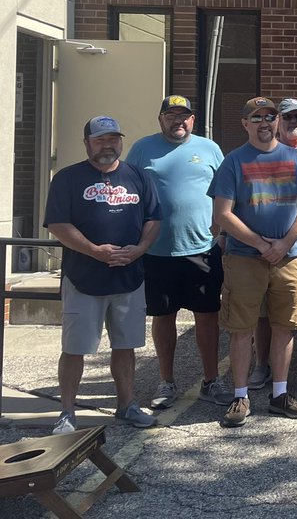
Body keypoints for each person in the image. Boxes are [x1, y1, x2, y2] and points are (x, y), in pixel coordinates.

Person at [45, 116, 162, 434]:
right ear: (87, 144)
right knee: (75, 347)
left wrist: (139, 249)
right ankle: (67, 412)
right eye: (100, 140)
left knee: (125, 347)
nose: (108, 145)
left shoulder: (138, 176)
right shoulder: (68, 178)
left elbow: (153, 218)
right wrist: (94, 251)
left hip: (129, 277)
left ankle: (126, 406)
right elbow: (57, 224)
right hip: (83, 278)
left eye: (113, 139)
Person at [210, 97, 297, 427]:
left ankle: (280, 394)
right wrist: (259, 243)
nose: (265, 122)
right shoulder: (233, 162)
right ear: (245, 124)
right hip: (244, 259)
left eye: (271, 116)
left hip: (289, 258)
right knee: (241, 329)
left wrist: (284, 243)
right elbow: (222, 214)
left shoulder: (296, 158)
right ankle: (240, 396)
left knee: (285, 326)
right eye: (257, 117)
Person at [127, 95, 231, 411]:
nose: (178, 121)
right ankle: (166, 381)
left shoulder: (210, 149)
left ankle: (211, 380)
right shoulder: (142, 149)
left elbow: (227, 193)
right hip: (157, 251)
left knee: (207, 317)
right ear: (161, 119)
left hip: (202, 248)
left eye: (184, 116)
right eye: (171, 116)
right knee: (163, 317)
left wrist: (223, 233)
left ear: (193, 120)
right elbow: (130, 194)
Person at [249, 97, 297, 388]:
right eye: (287, 118)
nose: (293, 123)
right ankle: (261, 365)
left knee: (294, 314)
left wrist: (292, 241)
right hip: (258, 249)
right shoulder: (253, 154)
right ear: (277, 122)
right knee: (261, 313)